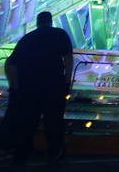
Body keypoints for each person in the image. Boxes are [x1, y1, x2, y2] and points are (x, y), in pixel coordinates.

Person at [4, 11, 74, 165]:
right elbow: (68, 59)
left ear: (37, 22)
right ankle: (54, 154)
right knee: (54, 121)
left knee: (28, 121)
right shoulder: (60, 34)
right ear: (50, 21)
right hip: (53, 85)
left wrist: (14, 86)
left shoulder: (28, 38)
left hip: (29, 87)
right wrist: (67, 82)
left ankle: (22, 154)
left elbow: (10, 64)